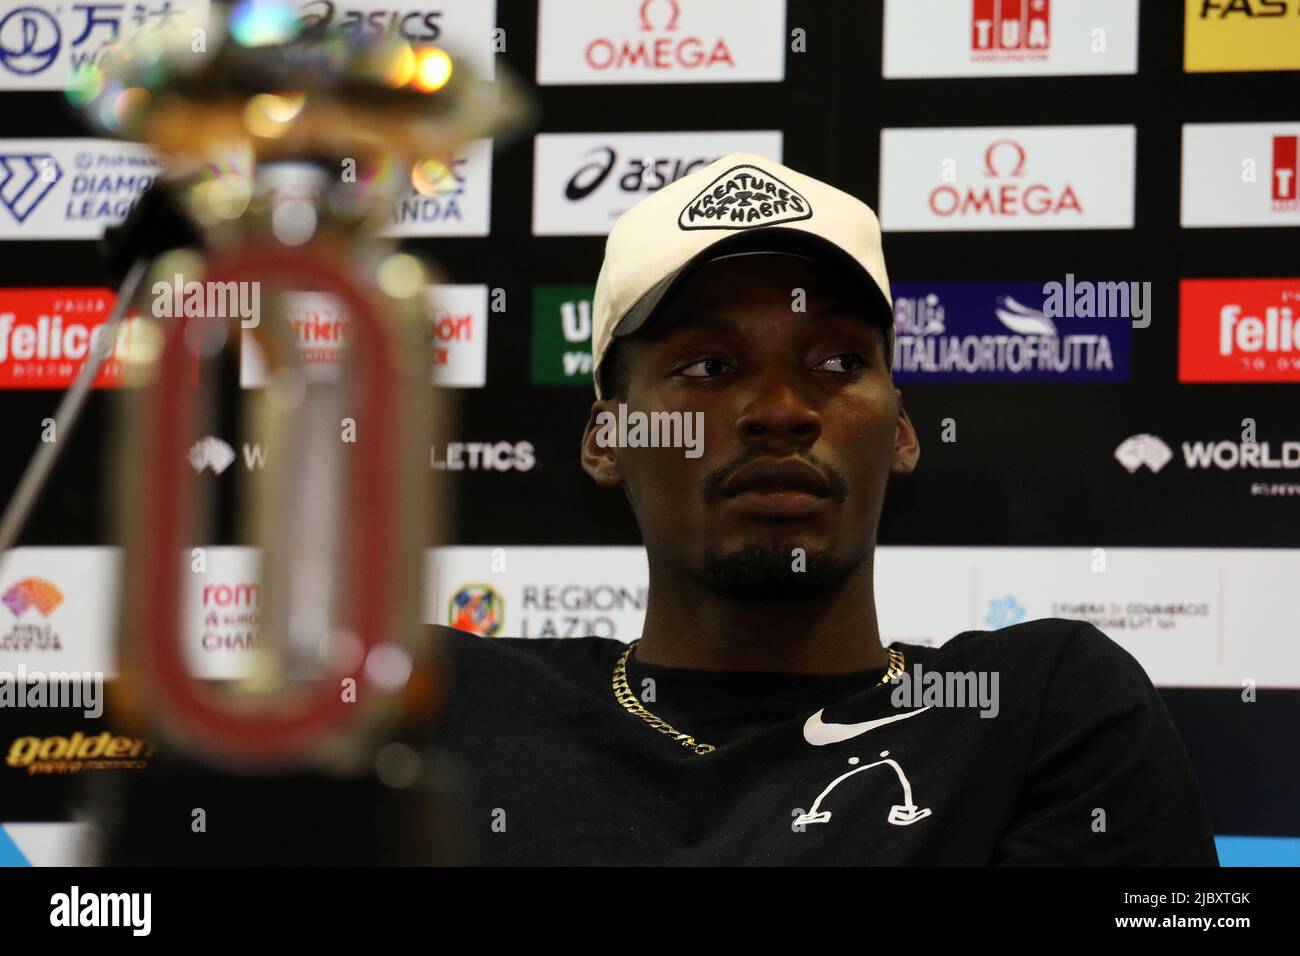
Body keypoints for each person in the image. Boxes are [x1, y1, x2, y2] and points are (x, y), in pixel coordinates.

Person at [428, 153, 1219, 866]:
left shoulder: (1042, 710)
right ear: (608, 437)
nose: (779, 410)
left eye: (837, 360)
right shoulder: (455, 702)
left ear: (901, 430)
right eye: (708, 365)